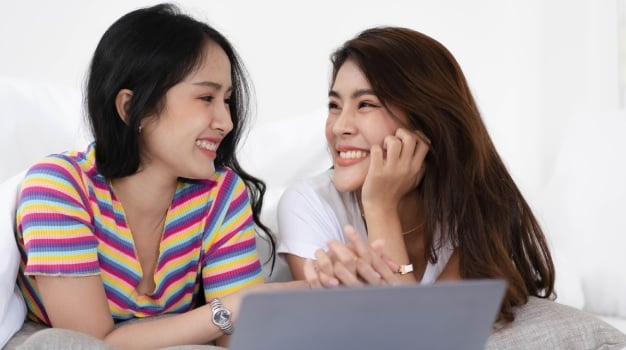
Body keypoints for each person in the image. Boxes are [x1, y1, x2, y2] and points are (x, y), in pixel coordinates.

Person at [14, 4, 305, 349]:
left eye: (226, 101)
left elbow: (239, 339)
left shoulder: (220, 193)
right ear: (130, 108)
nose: (225, 122)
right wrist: (227, 309)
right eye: (206, 97)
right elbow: (90, 341)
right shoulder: (59, 187)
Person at [277, 26, 555, 323]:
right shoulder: (308, 203)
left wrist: (380, 207)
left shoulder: (473, 203)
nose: (339, 127)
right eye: (334, 105)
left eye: (366, 104)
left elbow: (423, 333)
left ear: (424, 118)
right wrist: (380, 205)